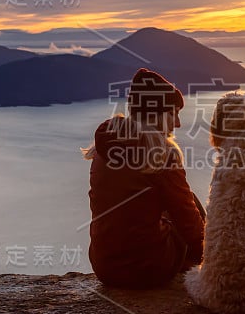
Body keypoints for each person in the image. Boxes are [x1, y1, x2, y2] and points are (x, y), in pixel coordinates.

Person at [83, 68, 205, 288]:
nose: (177, 123)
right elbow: (189, 222)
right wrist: (211, 255)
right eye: (173, 114)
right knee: (191, 203)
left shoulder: (104, 146)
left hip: (104, 267)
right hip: (148, 270)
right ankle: (207, 269)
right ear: (157, 114)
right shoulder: (162, 156)